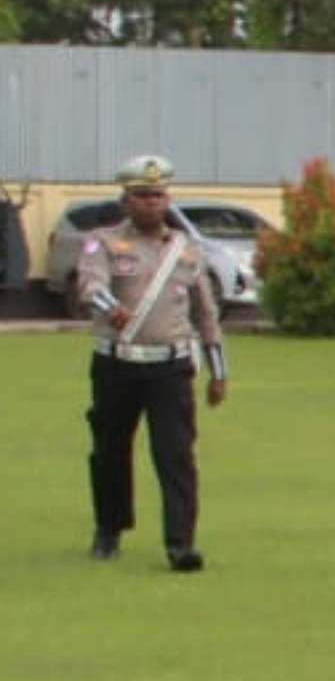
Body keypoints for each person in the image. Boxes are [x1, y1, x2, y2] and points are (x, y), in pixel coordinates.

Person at [78, 154, 229, 572]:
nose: (151, 202)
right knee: (110, 449)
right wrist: (113, 310)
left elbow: (206, 314)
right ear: (126, 200)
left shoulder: (187, 250)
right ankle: (109, 528)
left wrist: (219, 371)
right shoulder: (103, 242)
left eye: (158, 195)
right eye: (142, 196)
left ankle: (181, 543)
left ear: (169, 199)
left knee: (176, 454)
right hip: (118, 363)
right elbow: (90, 285)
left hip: (170, 367)